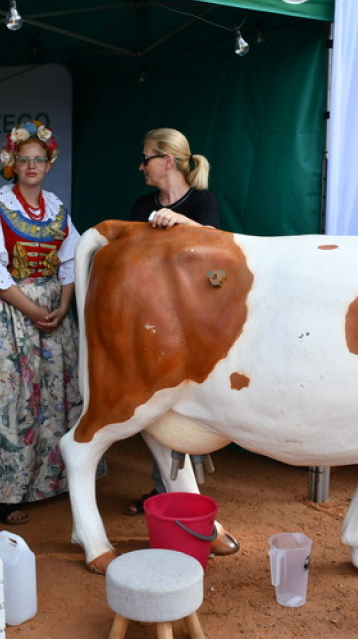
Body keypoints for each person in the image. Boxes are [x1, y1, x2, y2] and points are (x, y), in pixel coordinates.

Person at [0, 120, 82, 525]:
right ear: (11, 163)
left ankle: (53, 481)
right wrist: (33, 310)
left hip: (53, 309)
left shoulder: (57, 208)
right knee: (10, 399)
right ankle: (4, 492)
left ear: (49, 164)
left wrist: (64, 306)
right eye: (24, 159)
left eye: (39, 160)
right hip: (11, 314)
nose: (31, 166)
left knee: (53, 399)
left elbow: (70, 261)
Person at [124, 127, 221, 516]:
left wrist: (179, 222)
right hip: (152, 319)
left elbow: (218, 242)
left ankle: (182, 493)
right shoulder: (140, 204)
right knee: (157, 404)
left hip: (193, 320)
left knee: (187, 403)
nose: (141, 165)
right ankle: (163, 488)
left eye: (146, 157)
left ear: (167, 160)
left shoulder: (202, 202)